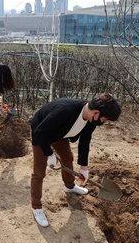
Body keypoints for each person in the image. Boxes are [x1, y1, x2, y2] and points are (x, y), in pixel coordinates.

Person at [30, 93, 122, 227]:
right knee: (39, 172)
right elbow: (40, 132)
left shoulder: (91, 120)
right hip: (41, 133)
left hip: (60, 133)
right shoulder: (65, 110)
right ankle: (36, 207)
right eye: (105, 119)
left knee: (68, 158)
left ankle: (69, 186)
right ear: (96, 113)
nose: (104, 122)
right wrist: (49, 154)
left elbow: (85, 141)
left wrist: (84, 167)